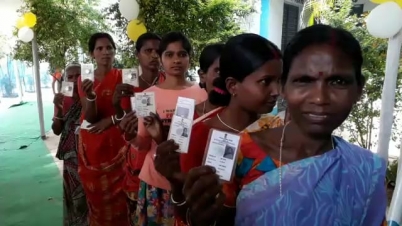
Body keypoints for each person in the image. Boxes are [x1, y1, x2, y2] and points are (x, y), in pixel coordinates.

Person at [182, 24, 387, 226]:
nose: (319, 98)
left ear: (359, 89)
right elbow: (217, 218)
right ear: (283, 87)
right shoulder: (239, 152)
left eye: (338, 82)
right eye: (304, 80)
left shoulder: (365, 169)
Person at [153, 33, 284, 225]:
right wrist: (175, 182)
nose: (277, 91)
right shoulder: (200, 134)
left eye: (279, 80)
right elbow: (187, 213)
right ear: (233, 86)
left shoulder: (277, 129)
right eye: (265, 81)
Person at [121, 31, 207, 225]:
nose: (176, 60)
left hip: (189, 181)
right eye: (169, 54)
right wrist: (129, 134)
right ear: (160, 59)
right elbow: (143, 144)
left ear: (189, 58)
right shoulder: (146, 95)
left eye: (182, 54)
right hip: (155, 182)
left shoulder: (203, 94)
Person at [77, 32, 133, 226]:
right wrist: (91, 95)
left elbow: (131, 112)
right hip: (92, 146)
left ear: (114, 51)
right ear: (92, 54)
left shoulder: (125, 76)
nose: (105, 52)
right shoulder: (84, 80)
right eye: (99, 48)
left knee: (122, 198)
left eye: (109, 47)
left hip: (118, 144)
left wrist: (111, 120)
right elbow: (90, 117)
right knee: (97, 197)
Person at [119, 32, 166, 223]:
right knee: (137, 213)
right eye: (148, 51)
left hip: (162, 157)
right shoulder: (129, 83)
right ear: (138, 54)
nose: (154, 56)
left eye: (158, 51)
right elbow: (123, 120)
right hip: (136, 156)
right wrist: (117, 106)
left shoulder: (168, 82)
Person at [52, 62, 88, 226]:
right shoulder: (63, 98)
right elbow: (56, 131)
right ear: (65, 79)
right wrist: (59, 109)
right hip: (71, 158)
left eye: (78, 75)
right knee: (75, 197)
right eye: (70, 77)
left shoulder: (90, 94)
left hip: (89, 155)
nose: (74, 80)